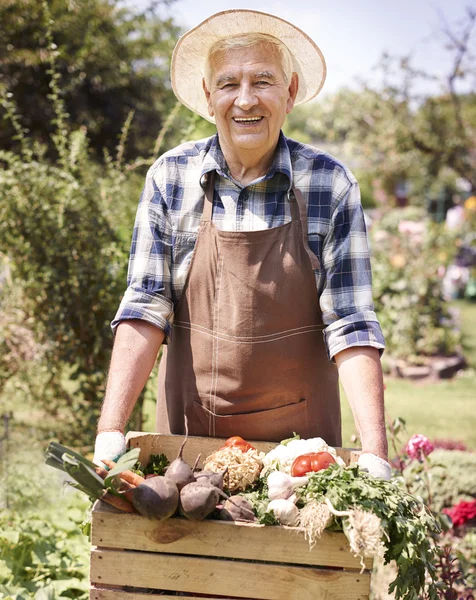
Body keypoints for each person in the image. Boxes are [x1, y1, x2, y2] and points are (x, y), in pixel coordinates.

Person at [93, 9, 391, 479]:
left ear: (290, 92)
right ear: (209, 97)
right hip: (187, 450)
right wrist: (111, 430)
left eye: (263, 80)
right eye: (229, 83)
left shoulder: (329, 185)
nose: (245, 99)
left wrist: (375, 453)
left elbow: (351, 322)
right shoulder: (172, 178)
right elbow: (145, 306)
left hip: (300, 463)